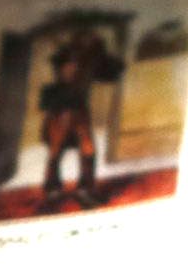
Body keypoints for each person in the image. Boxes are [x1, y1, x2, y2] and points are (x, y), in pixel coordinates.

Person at [36, 27, 124, 209]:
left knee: (88, 150)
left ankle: (84, 189)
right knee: (57, 148)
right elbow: (65, 76)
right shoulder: (65, 58)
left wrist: (100, 56)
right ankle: (53, 189)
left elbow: (112, 73)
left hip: (79, 108)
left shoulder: (90, 61)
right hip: (61, 107)